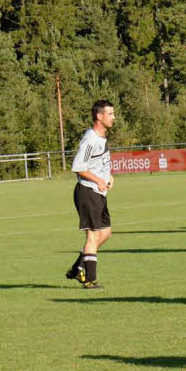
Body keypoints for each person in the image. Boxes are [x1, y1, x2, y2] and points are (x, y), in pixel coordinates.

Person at [65, 100, 116, 290]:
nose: (113, 118)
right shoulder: (90, 140)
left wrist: (108, 176)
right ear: (99, 116)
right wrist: (98, 180)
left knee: (105, 232)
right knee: (93, 236)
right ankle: (89, 280)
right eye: (110, 114)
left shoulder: (101, 138)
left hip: (98, 193)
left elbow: (99, 164)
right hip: (88, 192)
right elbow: (78, 167)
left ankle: (79, 266)